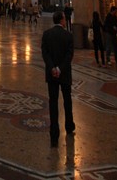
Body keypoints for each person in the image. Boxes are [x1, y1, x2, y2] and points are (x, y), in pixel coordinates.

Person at [41, 10, 75, 147]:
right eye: (64, 18)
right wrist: (60, 69)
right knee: (67, 101)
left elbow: (44, 53)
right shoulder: (68, 36)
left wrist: (52, 68)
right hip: (64, 74)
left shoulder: (46, 34)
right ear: (61, 20)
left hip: (51, 74)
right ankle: (69, 126)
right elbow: (69, 56)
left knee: (53, 103)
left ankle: (54, 134)